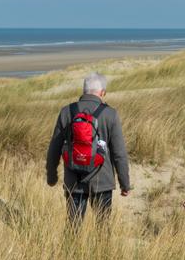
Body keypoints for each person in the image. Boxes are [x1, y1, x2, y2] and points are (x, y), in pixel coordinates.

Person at [46, 73, 131, 220]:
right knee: (103, 227)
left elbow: (55, 148)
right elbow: (119, 154)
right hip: (102, 181)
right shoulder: (111, 114)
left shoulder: (66, 112)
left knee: (73, 226)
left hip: (74, 180)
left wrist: (51, 177)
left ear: (84, 91)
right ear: (102, 92)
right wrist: (125, 184)